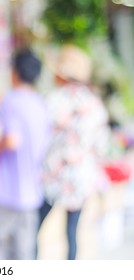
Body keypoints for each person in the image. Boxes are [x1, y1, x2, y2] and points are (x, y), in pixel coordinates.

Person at [38, 45, 110, 260]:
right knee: (72, 233)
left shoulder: (54, 100)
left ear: (60, 74)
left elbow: (41, 138)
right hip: (81, 178)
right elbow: (101, 147)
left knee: (35, 228)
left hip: (52, 176)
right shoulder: (95, 104)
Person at [0, 48, 50, 260]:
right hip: (32, 190)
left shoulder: (11, 101)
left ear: (15, 72)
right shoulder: (41, 104)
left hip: (11, 190)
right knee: (24, 250)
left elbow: (12, 140)